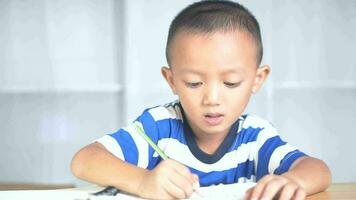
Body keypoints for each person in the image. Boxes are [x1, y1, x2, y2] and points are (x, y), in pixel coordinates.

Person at [71, 1, 331, 199]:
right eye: (194, 83)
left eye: (230, 83)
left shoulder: (255, 137)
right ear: (171, 80)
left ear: (257, 79)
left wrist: (296, 181)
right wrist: (143, 181)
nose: (212, 99)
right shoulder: (159, 128)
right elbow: (85, 160)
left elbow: (317, 170)